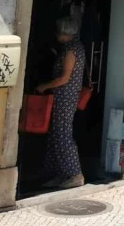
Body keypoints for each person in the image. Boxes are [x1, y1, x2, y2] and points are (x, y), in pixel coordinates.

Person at [36, 17, 86, 189]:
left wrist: (45, 86)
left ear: (66, 33)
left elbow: (65, 77)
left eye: (59, 31)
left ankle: (75, 174)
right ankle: (60, 173)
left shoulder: (72, 50)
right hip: (61, 97)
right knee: (56, 134)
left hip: (65, 97)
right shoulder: (70, 48)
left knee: (63, 134)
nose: (57, 35)